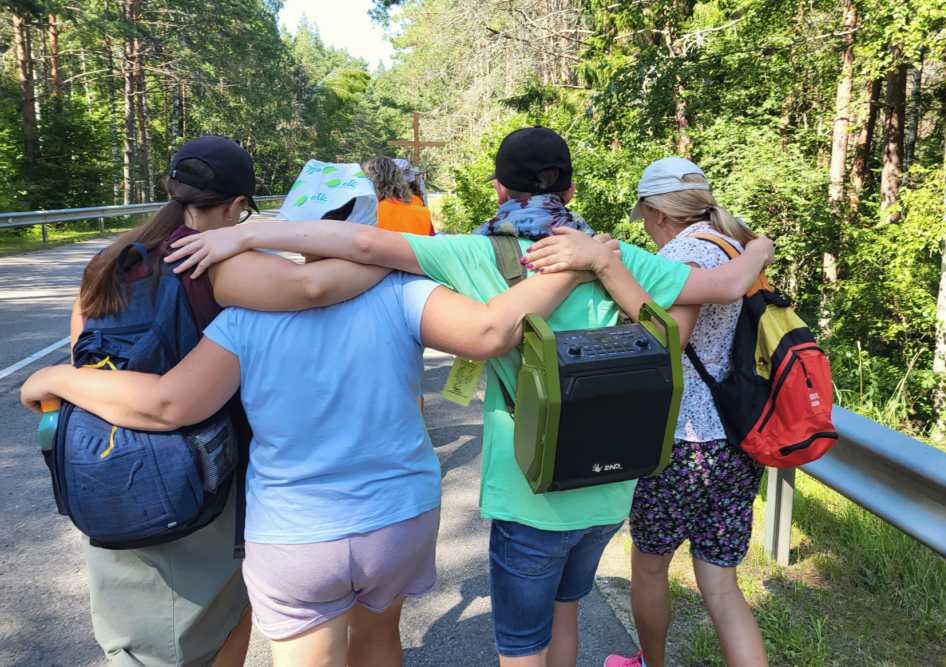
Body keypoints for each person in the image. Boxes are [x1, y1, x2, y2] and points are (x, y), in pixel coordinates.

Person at [160, 126, 775, 667]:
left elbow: (370, 247)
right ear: (571, 193)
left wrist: (244, 237)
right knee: (566, 617)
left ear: (500, 190)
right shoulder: (619, 256)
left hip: (529, 487)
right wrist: (760, 246)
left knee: (520, 642)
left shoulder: (474, 254)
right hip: (611, 487)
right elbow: (728, 284)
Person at [24, 242, 604, 666]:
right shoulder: (404, 292)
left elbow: (170, 405)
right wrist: (578, 266)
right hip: (399, 518)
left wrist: (58, 378)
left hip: (295, 534)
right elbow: (488, 331)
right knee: (378, 639)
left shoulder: (244, 318)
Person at [66, 136, 396, 667]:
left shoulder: (107, 262)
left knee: (139, 637)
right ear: (237, 206)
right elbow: (311, 287)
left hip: (104, 468)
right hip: (195, 472)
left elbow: (83, 357)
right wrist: (406, 257)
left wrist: (51, 381)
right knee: (218, 618)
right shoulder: (208, 262)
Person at [532, 158, 770, 667]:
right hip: (735, 442)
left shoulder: (683, 254)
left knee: (649, 569)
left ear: (658, 214)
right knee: (722, 588)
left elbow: (668, 341)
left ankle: (651, 664)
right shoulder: (733, 247)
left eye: (644, 217)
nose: (645, 228)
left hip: (681, 445)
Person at [366, 156, 434, 235]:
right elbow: (432, 244)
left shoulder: (367, 215)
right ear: (402, 180)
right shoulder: (423, 213)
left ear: (370, 183)